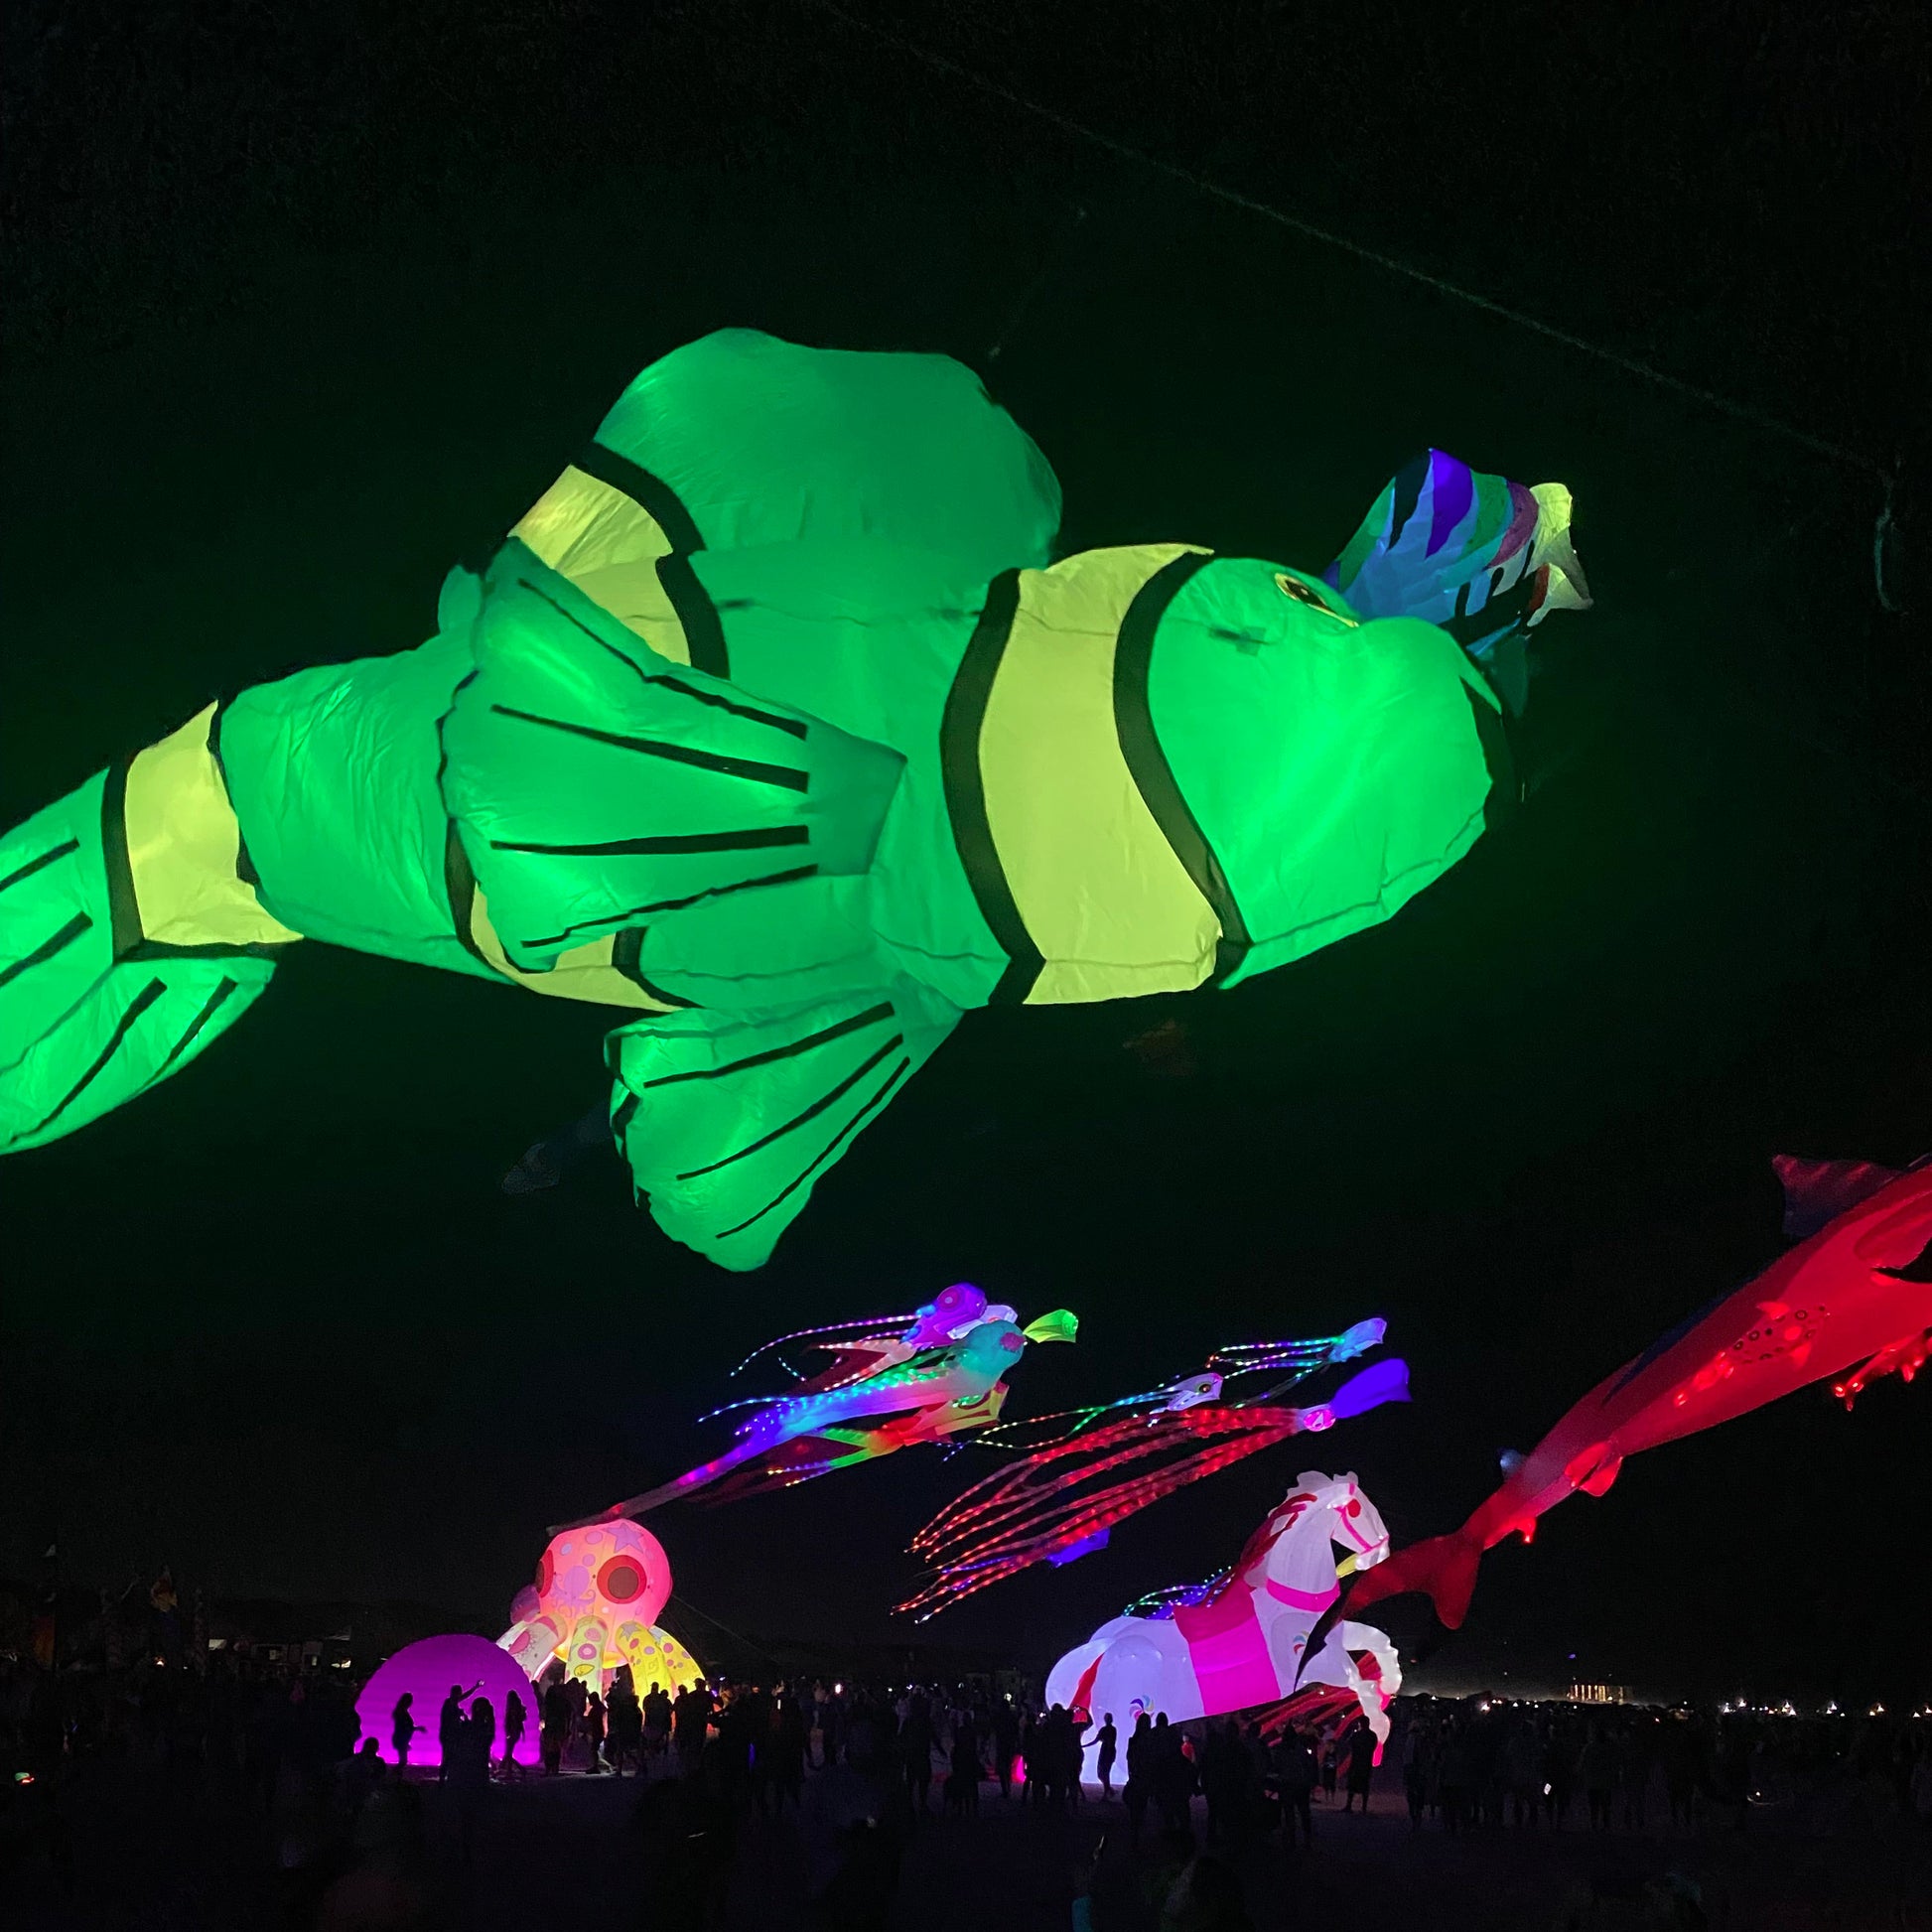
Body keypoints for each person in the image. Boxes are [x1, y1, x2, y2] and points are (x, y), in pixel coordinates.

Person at [1273, 1727, 1317, 1850]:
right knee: (1303, 1813)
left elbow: (1276, 1767)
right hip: (1301, 1784)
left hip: (1288, 1784)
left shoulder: (1281, 1751)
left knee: (1289, 1813)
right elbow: (1309, 1765)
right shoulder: (1301, 1750)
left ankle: (1292, 1840)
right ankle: (1306, 1839)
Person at [1341, 1721, 1375, 1814]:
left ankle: (1349, 1805)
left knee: (1352, 1784)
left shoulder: (1357, 1735)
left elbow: (1349, 1743)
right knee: (1364, 1785)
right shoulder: (1372, 1735)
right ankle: (1364, 1807)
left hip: (1356, 1763)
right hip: (1366, 1763)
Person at [389, 1692, 421, 1770]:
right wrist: (417, 1728)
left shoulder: (401, 1712)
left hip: (402, 1739)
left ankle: (397, 1777)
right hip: (401, 1739)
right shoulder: (402, 1713)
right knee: (403, 1761)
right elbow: (405, 1727)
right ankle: (393, 1775)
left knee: (403, 1761)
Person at [501, 1688, 527, 1776]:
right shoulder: (518, 1708)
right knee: (508, 1753)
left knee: (508, 1753)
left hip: (512, 1732)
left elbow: (511, 1722)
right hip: (516, 1732)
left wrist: (508, 1733)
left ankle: (519, 1769)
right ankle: (510, 1771)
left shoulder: (512, 1710)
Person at [581, 1690, 607, 1773]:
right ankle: (596, 1766)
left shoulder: (596, 1709)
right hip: (598, 1730)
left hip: (597, 1730)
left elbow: (592, 1720)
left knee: (594, 1749)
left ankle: (596, 1767)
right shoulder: (600, 1707)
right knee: (594, 1749)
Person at [1096, 1713, 1118, 1800]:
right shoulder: (1112, 1729)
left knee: (1104, 1773)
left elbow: (1097, 1740)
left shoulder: (1107, 1730)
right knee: (1103, 1773)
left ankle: (1106, 1793)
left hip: (1107, 1752)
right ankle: (1109, 1790)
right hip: (1108, 1752)